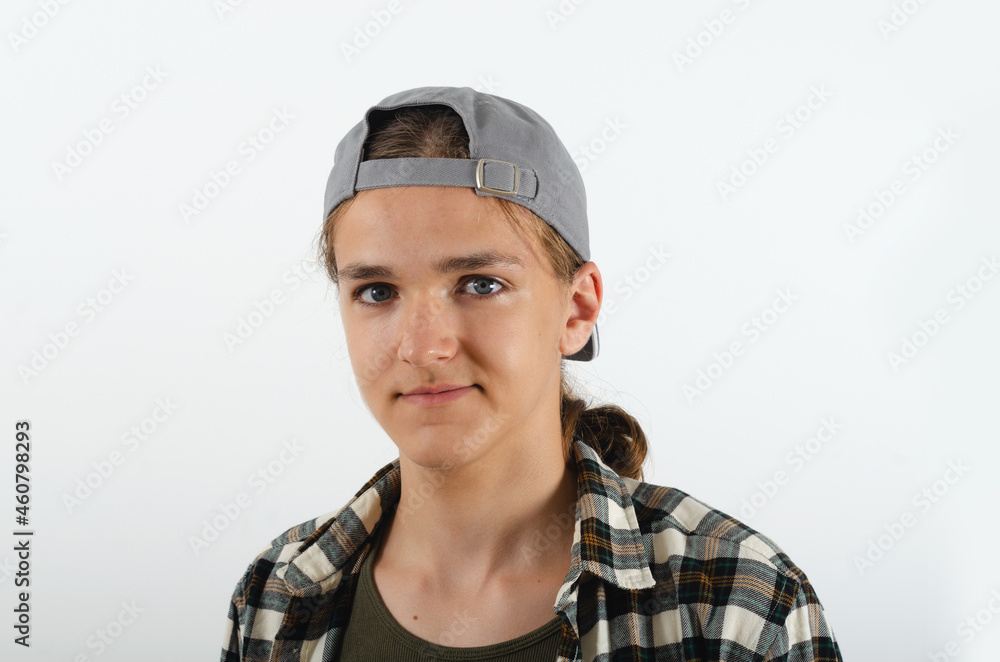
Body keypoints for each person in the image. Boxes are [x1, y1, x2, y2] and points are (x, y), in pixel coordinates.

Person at [219, 86, 843, 662]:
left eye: (480, 284)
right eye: (378, 291)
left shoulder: (736, 604)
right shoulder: (277, 598)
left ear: (577, 309)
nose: (422, 347)